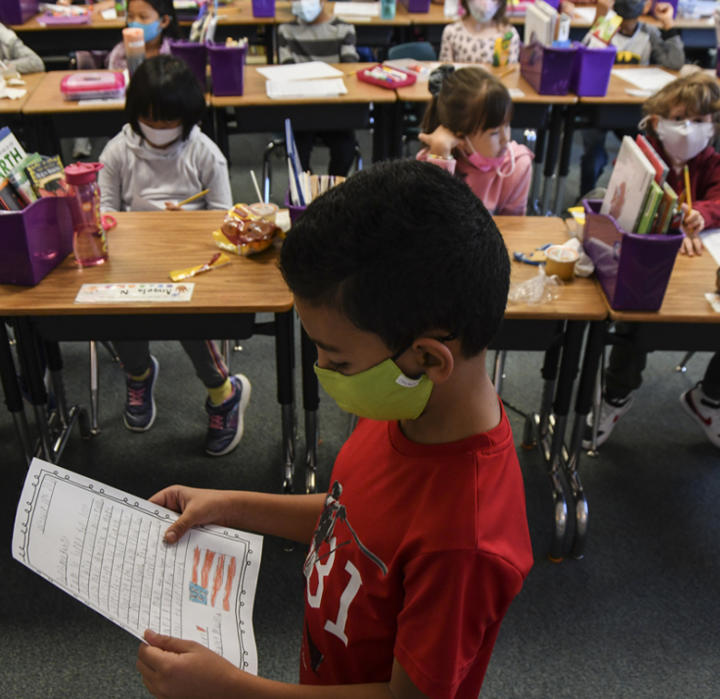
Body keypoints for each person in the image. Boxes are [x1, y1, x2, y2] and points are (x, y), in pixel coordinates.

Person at [135, 159, 533, 697]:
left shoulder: (467, 543)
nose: (323, 373)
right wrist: (230, 505)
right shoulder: (405, 407)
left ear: (429, 360)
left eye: (339, 362)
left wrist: (231, 690)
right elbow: (351, 516)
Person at [97, 56, 247, 457]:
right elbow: (105, 213)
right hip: (132, 259)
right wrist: (130, 226)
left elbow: (225, 218)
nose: (160, 129)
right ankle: (139, 373)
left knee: (189, 319)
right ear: (135, 115)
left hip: (192, 262)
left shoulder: (205, 154)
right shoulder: (116, 153)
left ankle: (223, 391)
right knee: (118, 315)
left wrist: (189, 226)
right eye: (151, 120)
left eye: (169, 121)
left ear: (188, 117)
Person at [588, 73, 720, 451]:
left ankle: (709, 397)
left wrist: (701, 214)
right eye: (679, 117)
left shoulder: (713, 163)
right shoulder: (641, 157)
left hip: (698, 267)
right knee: (634, 324)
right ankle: (617, 394)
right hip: (646, 264)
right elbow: (613, 198)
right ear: (657, 120)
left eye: (701, 120)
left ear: (716, 126)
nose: (689, 128)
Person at [579, 0, 685, 195]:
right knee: (593, 153)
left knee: (644, 151)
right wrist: (600, 23)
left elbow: (675, 62)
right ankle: (585, 194)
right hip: (601, 104)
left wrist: (668, 24)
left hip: (633, 106)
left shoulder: (648, 33)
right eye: (623, 19)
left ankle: (638, 197)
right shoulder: (606, 28)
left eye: (631, 20)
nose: (626, 25)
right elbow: (584, 57)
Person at [417, 65, 533, 215]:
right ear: (460, 138)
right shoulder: (431, 160)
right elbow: (432, 221)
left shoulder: (517, 166)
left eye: (507, 125)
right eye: (494, 133)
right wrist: (441, 155)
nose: (506, 139)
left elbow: (514, 227)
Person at [277, 0, 360, 177]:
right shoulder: (286, 30)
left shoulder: (344, 29)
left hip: (334, 108)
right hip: (301, 108)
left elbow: (349, 70)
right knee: (297, 154)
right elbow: (287, 69)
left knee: (345, 150)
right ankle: (308, 193)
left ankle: (334, 191)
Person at [439, 0, 519, 65]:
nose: (485, 3)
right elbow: (445, 74)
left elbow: (510, 76)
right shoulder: (452, 33)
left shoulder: (509, 35)